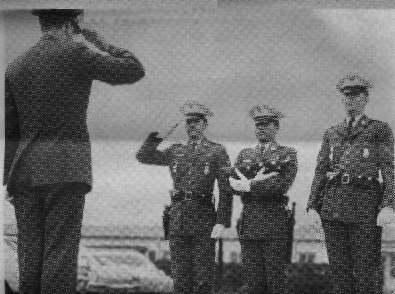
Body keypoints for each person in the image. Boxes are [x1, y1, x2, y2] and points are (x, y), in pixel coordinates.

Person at [4, 9, 145, 294]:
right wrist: (100, 42)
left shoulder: (16, 66)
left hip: (24, 173)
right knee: (60, 251)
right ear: (71, 24)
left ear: (42, 24)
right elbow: (133, 69)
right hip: (64, 167)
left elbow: (12, 130)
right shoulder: (76, 53)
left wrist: (9, 177)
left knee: (30, 254)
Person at [307, 74, 395, 294]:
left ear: (365, 99)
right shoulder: (332, 132)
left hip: (365, 207)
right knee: (340, 272)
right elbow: (321, 171)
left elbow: (389, 170)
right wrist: (312, 206)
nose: (350, 101)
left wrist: (388, 204)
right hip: (333, 207)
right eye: (346, 97)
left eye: (355, 96)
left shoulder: (379, 129)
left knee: (366, 271)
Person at [136, 101, 233, 294]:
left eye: (197, 122)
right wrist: (162, 133)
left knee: (203, 277)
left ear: (205, 124)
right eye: (189, 122)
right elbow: (143, 156)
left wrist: (222, 220)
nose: (192, 126)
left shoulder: (216, 150)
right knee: (180, 277)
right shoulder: (175, 151)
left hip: (203, 217)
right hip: (177, 217)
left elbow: (226, 188)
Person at [230, 104, 297, 294]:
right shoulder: (245, 154)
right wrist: (240, 184)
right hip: (249, 221)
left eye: (266, 125)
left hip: (273, 221)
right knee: (253, 281)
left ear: (276, 127)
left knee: (275, 280)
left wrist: (249, 185)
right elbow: (232, 182)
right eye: (258, 125)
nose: (261, 128)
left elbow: (281, 185)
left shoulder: (287, 154)